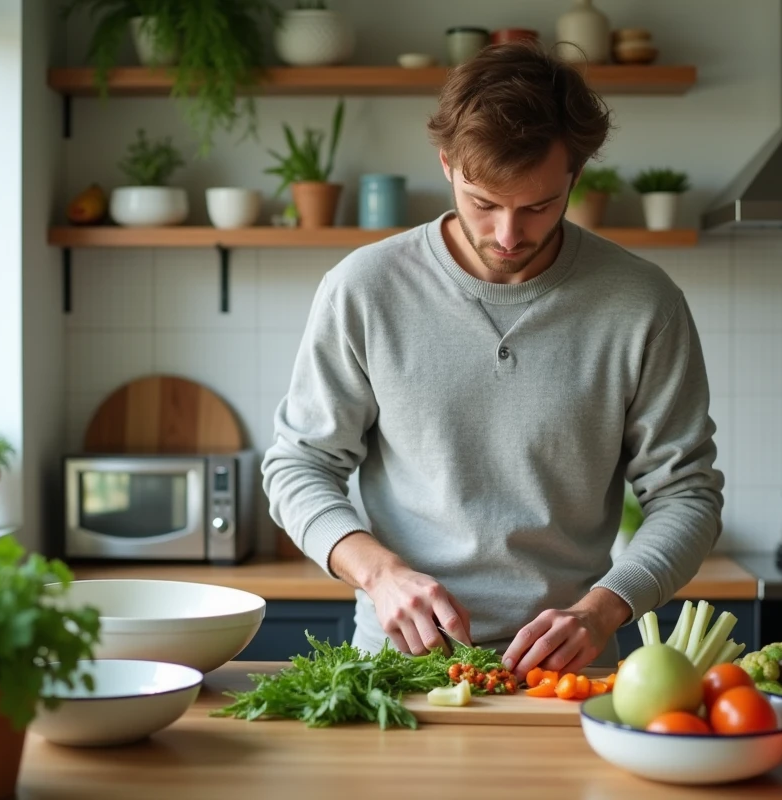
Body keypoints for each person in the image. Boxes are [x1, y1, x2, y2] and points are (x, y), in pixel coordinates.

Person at [261, 41, 724, 680]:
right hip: (397, 675)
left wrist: (602, 610)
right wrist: (380, 572)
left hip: (569, 677)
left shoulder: (644, 304)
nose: (508, 236)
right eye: (485, 203)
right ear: (448, 164)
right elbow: (298, 465)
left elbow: (687, 494)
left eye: (537, 206)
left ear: (575, 177)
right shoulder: (364, 288)